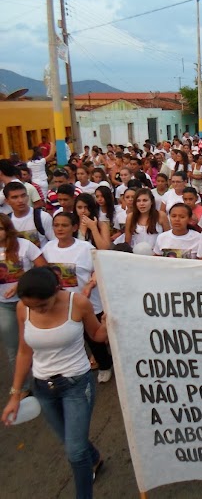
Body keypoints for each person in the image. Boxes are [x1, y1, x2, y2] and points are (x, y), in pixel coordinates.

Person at [1, 267, 108, 499]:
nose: (36, 310)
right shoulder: (23, 308)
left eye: (42, 305)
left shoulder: (78, 303)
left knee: (75, 452)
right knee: (69, 441)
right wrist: (15, 394)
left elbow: (97, 335)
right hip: (43, 388)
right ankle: (96, 458)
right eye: (31, 306)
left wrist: (108, 326)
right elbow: (23, 351)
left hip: (77, 384)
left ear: (56, 290)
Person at [42, 212, 113, 383]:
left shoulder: (85, 247)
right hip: (59, 305)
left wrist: (90, 285)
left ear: (74, 227)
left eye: (64, 225)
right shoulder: (47, 248)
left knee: (94, 338)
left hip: (88, 303)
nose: (59, 229)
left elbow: (99, 268)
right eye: (56, 225)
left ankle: (105, 365)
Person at [0, 213, 47, 392]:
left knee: (38, 343)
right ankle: (23, 386)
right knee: (14, 348)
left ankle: (44, 379)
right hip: (4, 305)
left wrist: (21, 283)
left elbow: (43, 267)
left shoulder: (25, 245)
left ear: (7, 229)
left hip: (29, 303)